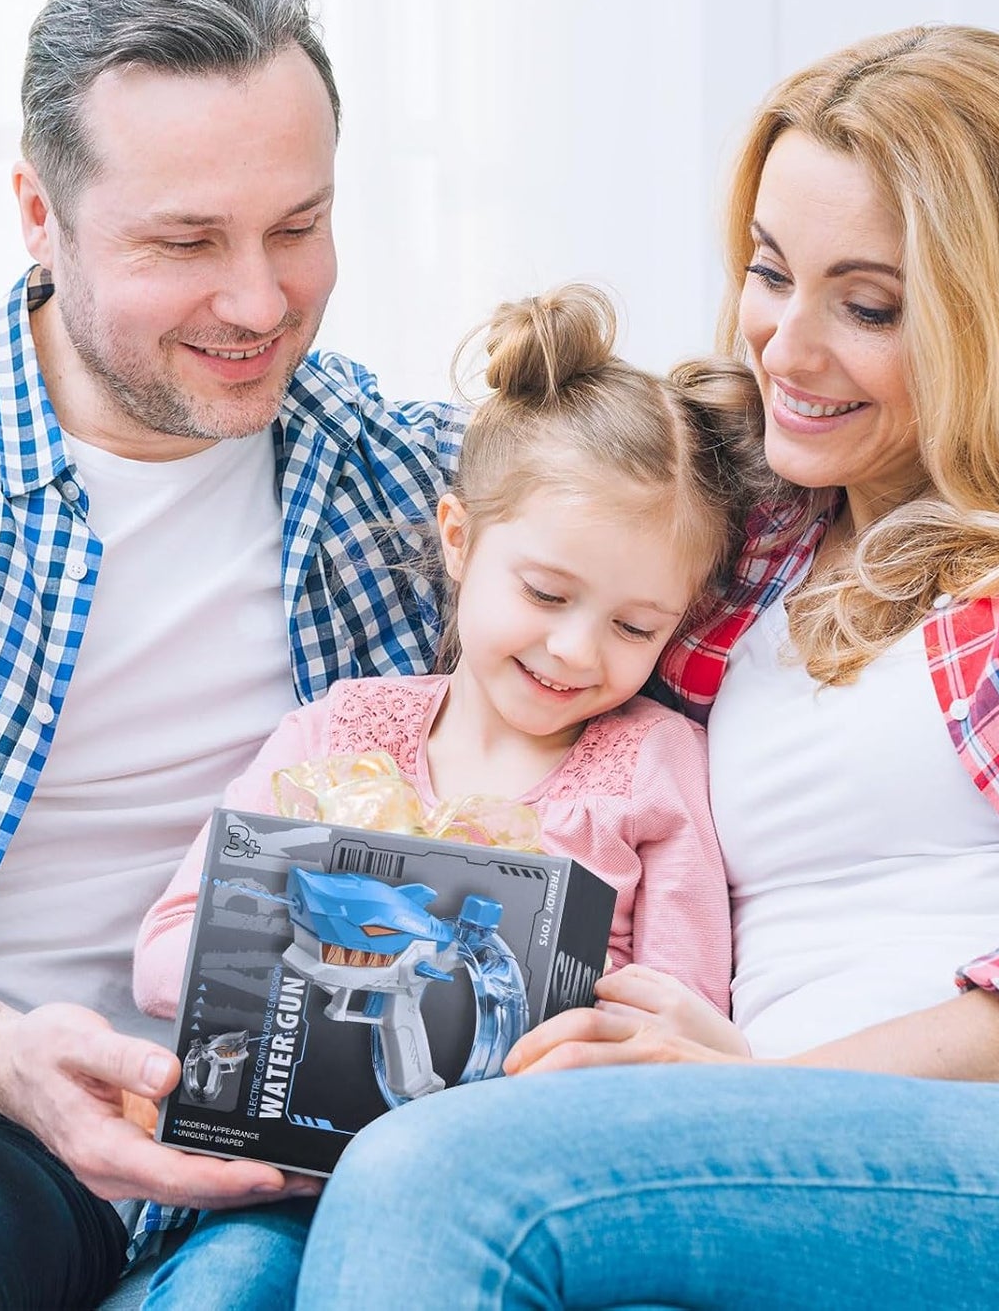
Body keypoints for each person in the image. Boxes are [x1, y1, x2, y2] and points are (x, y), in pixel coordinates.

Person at [289, 25, 999, 1307]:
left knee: (446, 1179)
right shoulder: (750, 520)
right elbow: (537, 461)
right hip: (769, 1132)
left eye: (868, 305)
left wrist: (777, 1085)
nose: (786, 345)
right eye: (771, 273)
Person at [0, 0, 465, 1309]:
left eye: (299, 228)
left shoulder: (410, 486)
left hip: (157, 1159)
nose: (259, 303)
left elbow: (702, 494)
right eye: (185, 242)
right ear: (38, 211)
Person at [132, 283, 759, 1307]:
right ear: (459, 539)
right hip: (286, 1186)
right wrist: (326, 927)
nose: (574, 649)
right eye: (546, 593)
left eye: (634, 626)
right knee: (220, 1290)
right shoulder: (339, 729)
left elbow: (678, 1018)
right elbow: (162, 957)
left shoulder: (650, 761)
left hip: (522, 1188)